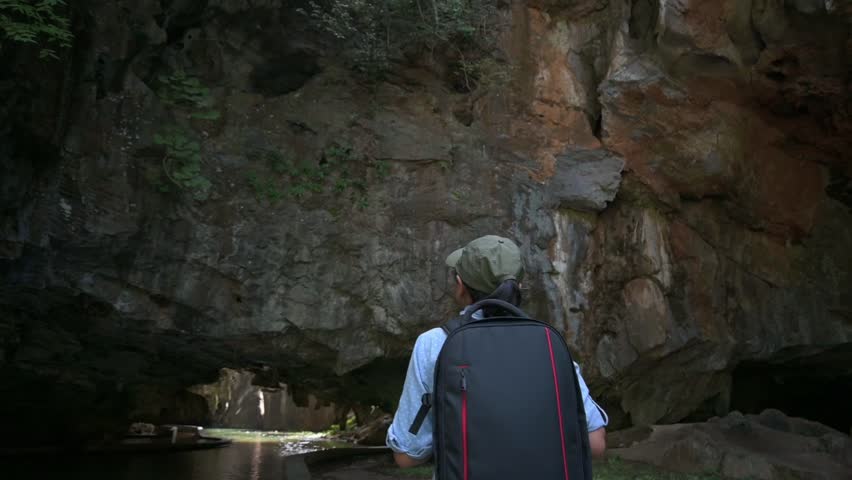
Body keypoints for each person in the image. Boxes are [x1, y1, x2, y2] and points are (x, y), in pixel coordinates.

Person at [386, 235, 608, 470]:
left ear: (460, 286)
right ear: (518, 286)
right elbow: (596, 444)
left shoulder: (433, 344)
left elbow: (407, 455)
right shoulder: (550, 345)